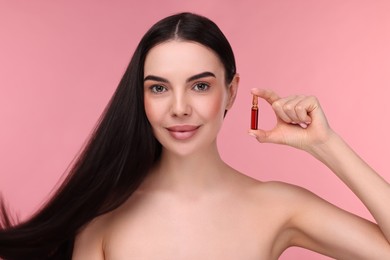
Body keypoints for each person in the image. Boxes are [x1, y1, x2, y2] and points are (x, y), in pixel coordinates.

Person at [1, 12, 389, 259]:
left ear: (232, 91)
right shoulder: (104, 215)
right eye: (158, 88)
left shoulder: (278, 206)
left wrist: (326, 145)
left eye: (200, 86)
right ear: (141, 96)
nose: (180, 107)